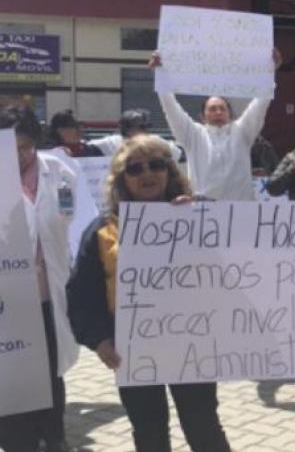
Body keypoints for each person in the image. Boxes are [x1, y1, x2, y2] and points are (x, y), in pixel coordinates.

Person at [67, 134, 231, 452]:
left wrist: (201, 214)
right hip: (132, 349)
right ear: (121, 179)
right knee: (149, 432)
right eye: (135, 168)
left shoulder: (199, 213)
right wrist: (99, 340)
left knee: (203, 427)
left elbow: (241, 261)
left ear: (169, 171)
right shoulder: (103, 230)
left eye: (156, 165)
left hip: (191, 344)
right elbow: (81, 295)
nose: (147, 174)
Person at [0, 106, 80, 452]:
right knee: (11, 373)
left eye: (25, 147)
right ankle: (18, 440)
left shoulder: (59, 171)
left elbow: (74, 222)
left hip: (48, 293)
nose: (19, 156)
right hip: (8, 302)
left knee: (51, 371)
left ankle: (55, 435)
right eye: (10, 148)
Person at [149, 50, 280, 200]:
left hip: (241, 209)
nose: (218, 112)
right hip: (203, 211)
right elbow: (170, 107)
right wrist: (160, 74)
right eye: (212, 109)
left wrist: (271, 72)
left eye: (222, 108)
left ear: (229, 114)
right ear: (202, 117)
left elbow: (261, 101)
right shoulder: (193, 134)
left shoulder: (242, 131)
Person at [88, 108, 183, 161]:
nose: (145, 131)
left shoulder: (154, 141)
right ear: (127, 129)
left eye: (146, 127)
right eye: (140, 127)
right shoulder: (113, 142)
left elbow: (177, 154)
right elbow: (87, 147)